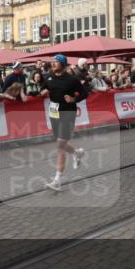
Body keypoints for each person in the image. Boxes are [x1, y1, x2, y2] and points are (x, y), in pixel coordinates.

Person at [41, 54, 87, 191]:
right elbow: (44, 88)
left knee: (60, 144)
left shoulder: (72, 80)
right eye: (53, 62)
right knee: (60, 143)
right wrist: (41, 92)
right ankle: (77, 153)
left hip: (68, 112)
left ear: (63, 64)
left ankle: (57, 180)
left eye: (56, 62)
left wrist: (74, 100)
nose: (53, 64)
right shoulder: (49, 78)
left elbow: (85, 93)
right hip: (54, 113)